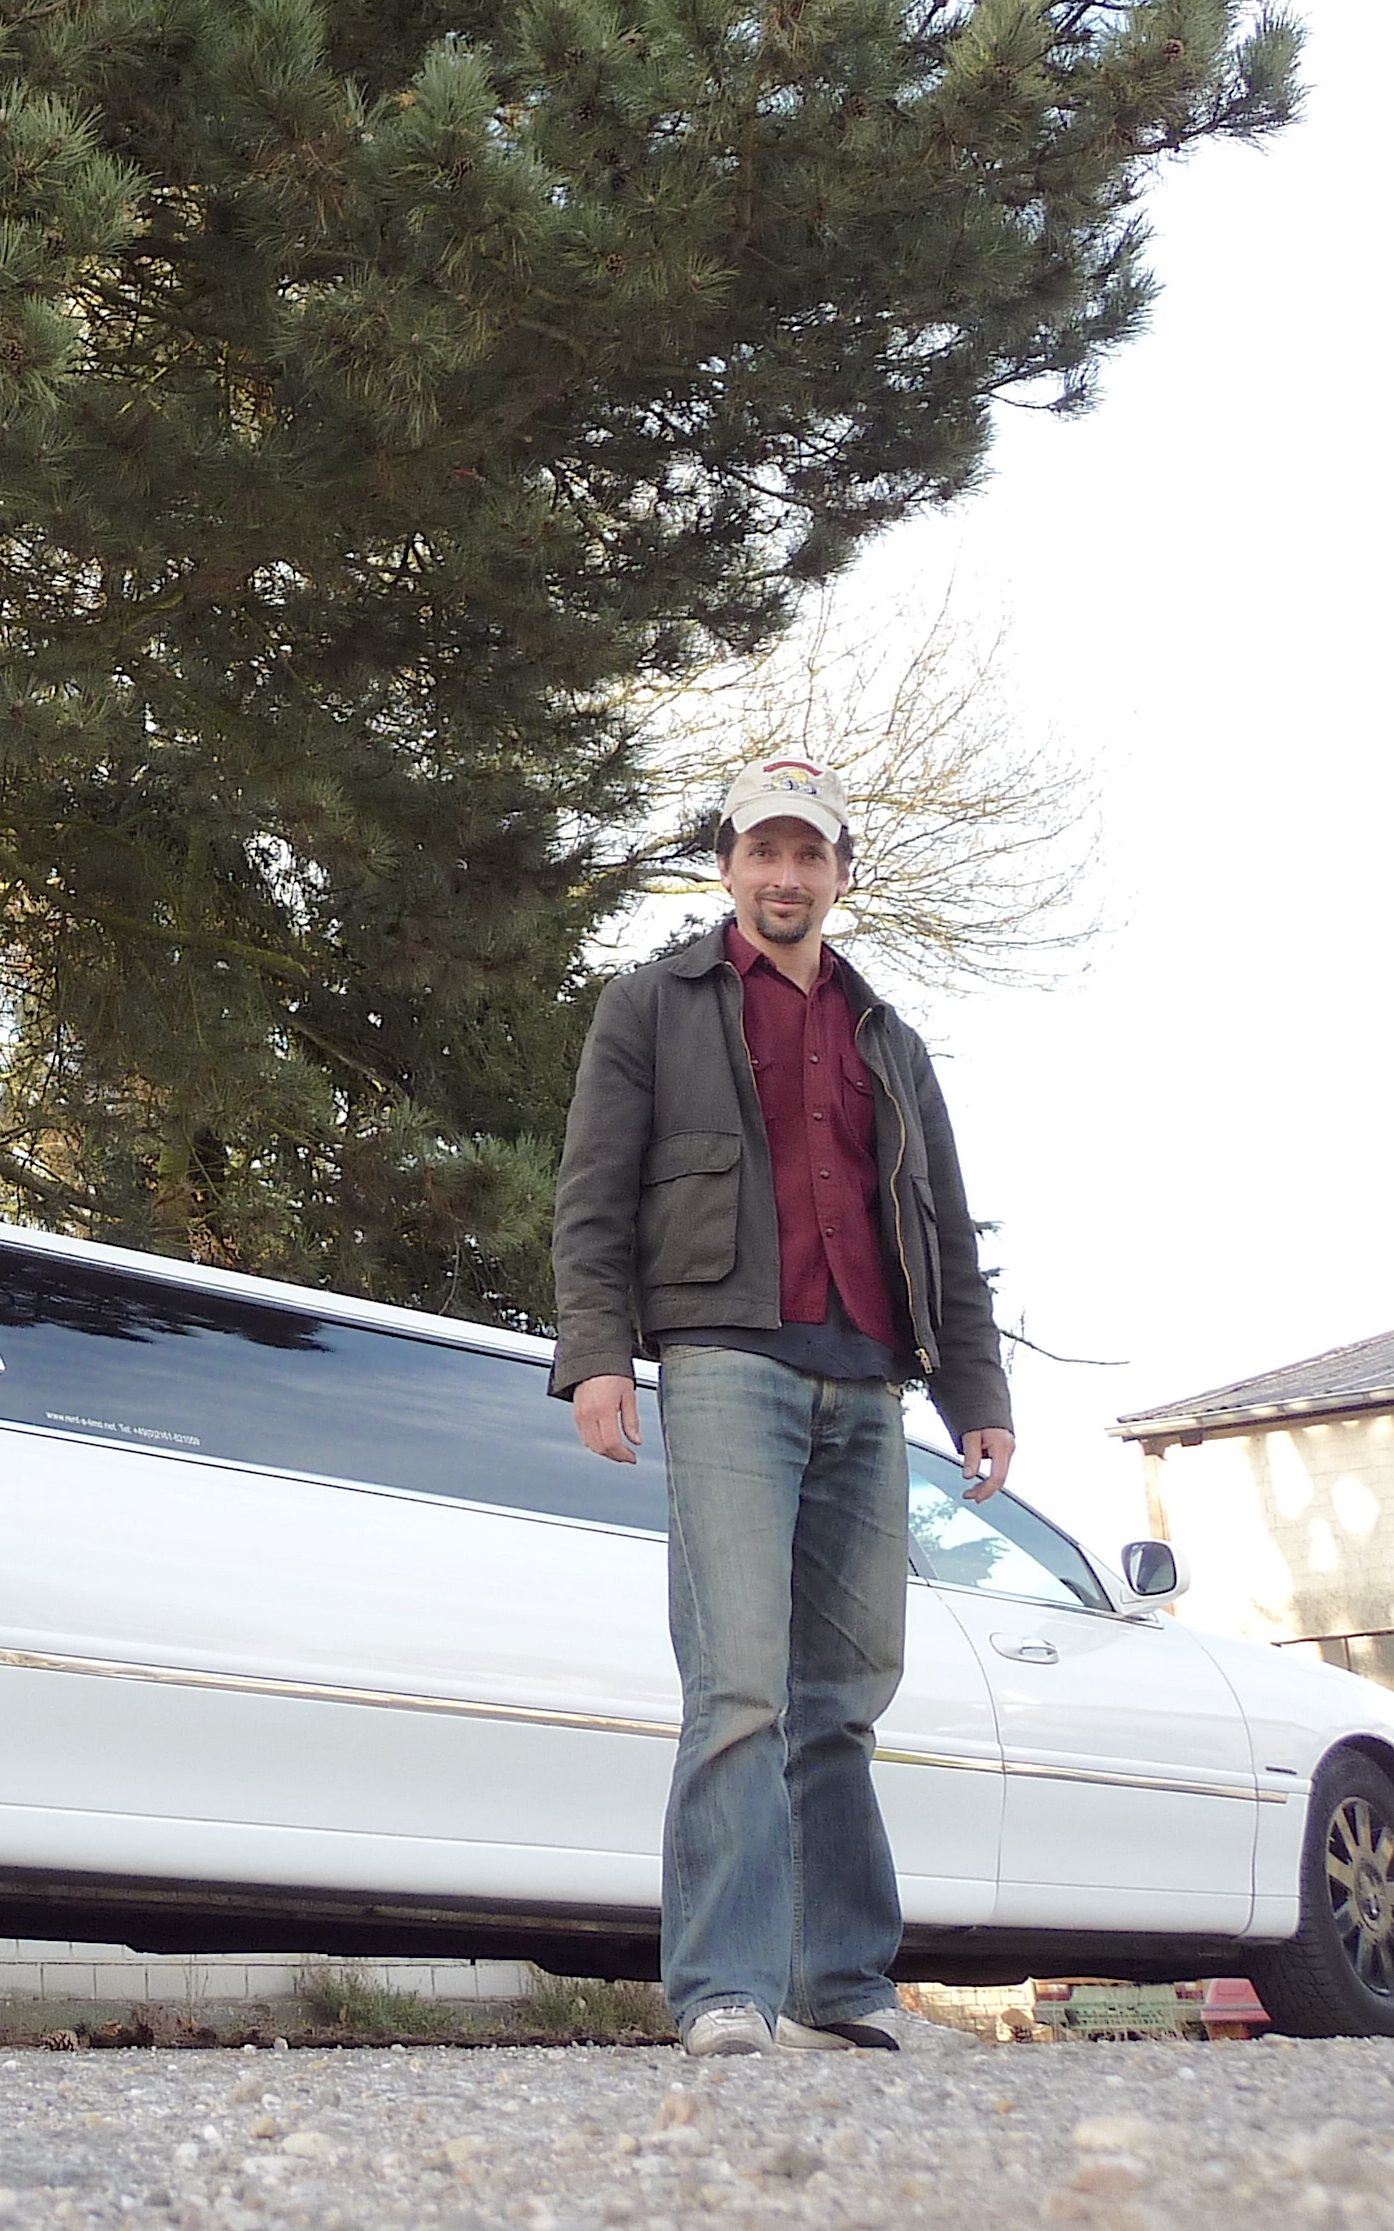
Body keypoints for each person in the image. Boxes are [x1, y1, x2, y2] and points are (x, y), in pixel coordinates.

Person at [548, 755, 1015, 2059]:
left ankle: (843, 1984)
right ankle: (723, 1988)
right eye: (765, 851)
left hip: (869, 1378)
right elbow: (593, 1195)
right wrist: (596, 1355)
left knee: (844, 1699)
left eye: (810, 854)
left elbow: (944, 1232)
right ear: (728, 868)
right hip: (726, 1365)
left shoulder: (889, 1038)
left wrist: (976, 1393)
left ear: (841, 874)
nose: (786, 875)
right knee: (739, 1685)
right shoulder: (653, 1006)